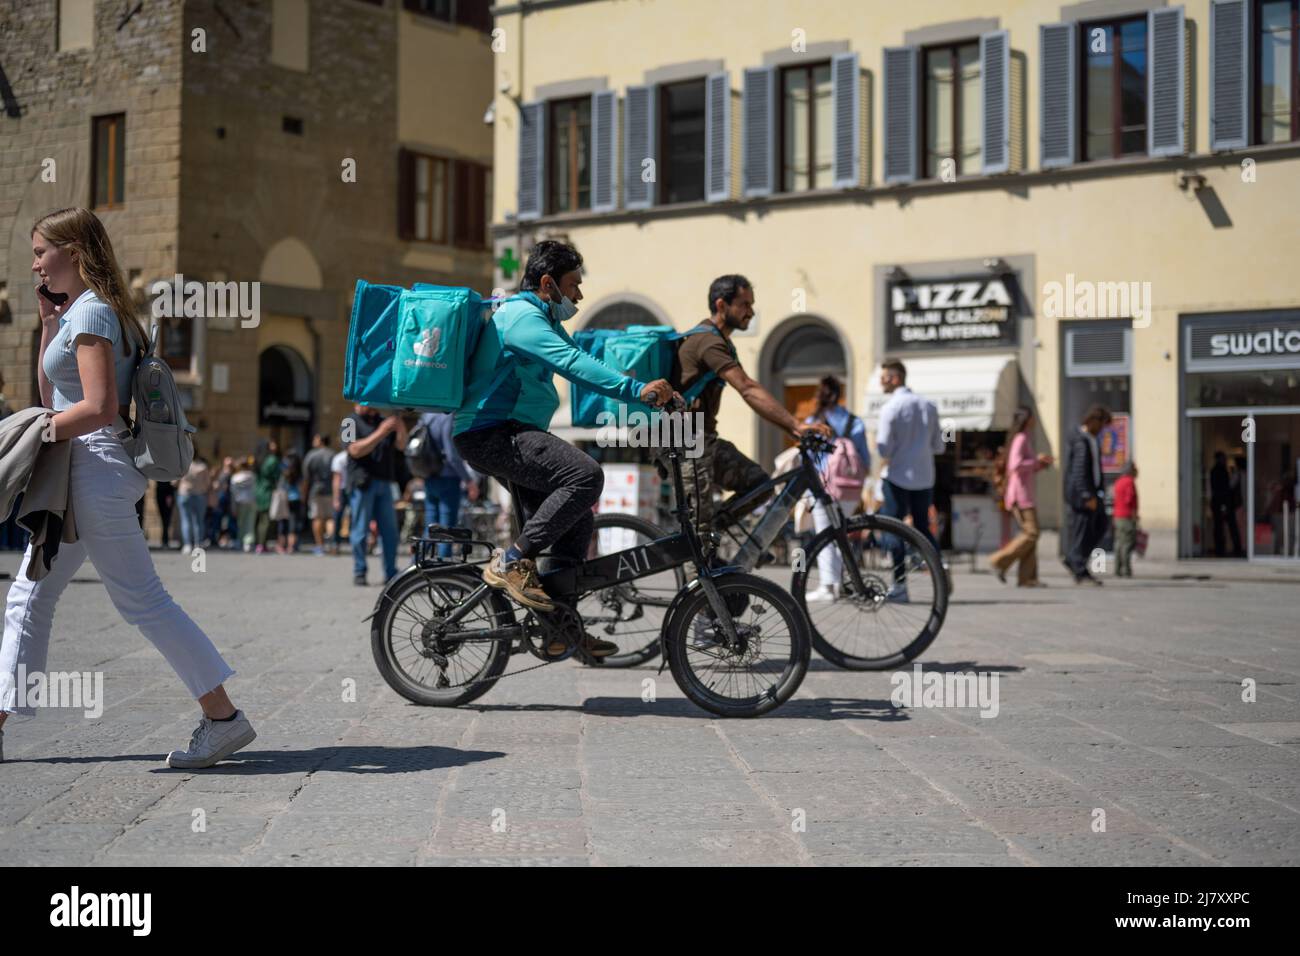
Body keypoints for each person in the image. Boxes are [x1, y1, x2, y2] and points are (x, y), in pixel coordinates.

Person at [1, 206, 254, 768]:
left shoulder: (92, 314)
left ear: (73, 251)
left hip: (90, 467)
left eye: (42, 252)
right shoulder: (85, 313)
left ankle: (223, 717)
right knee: (31, 595)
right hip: (83, 470)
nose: (36, 265)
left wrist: (31, 432)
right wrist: (46, 326)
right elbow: (54, 398)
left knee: (139, 601)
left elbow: (97, 408)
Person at [451, 239, 675, 658]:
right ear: (548, 283)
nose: (580, 296)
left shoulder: (543, 321)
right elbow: (574, 367)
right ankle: (510, 561)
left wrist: (638, 396)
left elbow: (582, 362)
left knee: (575, 523)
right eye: (574, 285)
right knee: (585, 476)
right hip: (490, 431)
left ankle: (561, 629)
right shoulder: (521, 317)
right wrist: (637, 390)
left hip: (512, 431)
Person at [666, 274, 830, 530]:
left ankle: (711, 540)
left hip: (703, 439)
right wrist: (795, 425)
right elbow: (747, 388)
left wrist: (793, 428)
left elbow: (748, 388)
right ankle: (698, 558)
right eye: (745, 305)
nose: (751, 312)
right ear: (721, 305)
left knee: (758, 485)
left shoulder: (721, 342)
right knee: (698, 523)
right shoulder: (707, 342)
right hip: (683, 441)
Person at [875, 358, 945, 601]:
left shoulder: (890, 408)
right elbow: (940, 445)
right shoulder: (930, 406)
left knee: (893, 528)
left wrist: (895, 449)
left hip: (897, 477)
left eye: (883, 378)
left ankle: (900, 586)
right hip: (925, 476)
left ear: (895, 378)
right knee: (924, 528)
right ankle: (941, 576)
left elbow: (883, 449)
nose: (880, 382)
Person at [803, 376, 870, 602]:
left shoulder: (815, 421)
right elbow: (865, 459)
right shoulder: (854, 422)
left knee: (825, 536)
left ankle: (827, 587)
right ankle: (842, 584)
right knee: (842, 534)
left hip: (824, 486)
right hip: (850, 488)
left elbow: (809, 459)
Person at [342, 404, 407, 586]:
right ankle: (359, 572)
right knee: (360, 531)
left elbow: (401, 445)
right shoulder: (349, 421)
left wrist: (399, 424)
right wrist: (382, 432)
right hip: (362, 483)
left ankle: (391, 572)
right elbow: (354, 450)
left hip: (385, 483)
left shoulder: (382, 421)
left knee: (390, 532)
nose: (372, 407)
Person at [988, 406, 1054, 587]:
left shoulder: (1022, 438)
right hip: (1021, 495)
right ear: (1027, 419)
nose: (1035, 421)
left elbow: (1022, 466)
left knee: (1031, 537)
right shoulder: (1021, 438)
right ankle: (1000, 560)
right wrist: (1036, 461)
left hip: (1024, 493)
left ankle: (1027, 578)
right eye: (1032, 418)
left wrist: (1039, 464)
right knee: (1032, 533)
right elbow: (1016, 465)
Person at [1064, 404, 1112, 585]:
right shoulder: (1081, 440)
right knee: (1083, 531)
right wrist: (1086, 496)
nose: (1102, 429)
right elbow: (1079, 471)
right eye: (1101, 425)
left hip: (1093, 493)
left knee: (1100, 525)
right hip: (1083, 496)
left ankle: (1075, 560)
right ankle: (1079, 567)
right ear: (1092, 421)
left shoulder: (1091, 439)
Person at [419, 411, 478, 558]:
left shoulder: (426, 416)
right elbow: (452, 456)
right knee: (446, 529)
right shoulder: (446, 418)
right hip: (448, 478)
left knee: (430, 525)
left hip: (429, 476)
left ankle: (418, 562)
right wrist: (468, 480)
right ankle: (442, 566)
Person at [302, 433, 335, 556]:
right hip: (331, 490)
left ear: (321, 441)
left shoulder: (311, 455)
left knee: (317, 517)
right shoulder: (333, 455)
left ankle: (320, 546)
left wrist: (304, 494)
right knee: (330, 518)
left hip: (316, 490)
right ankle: (332, 544)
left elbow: (306, 477)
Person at [176, 454, 211, 552]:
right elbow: (208, 482)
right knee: (199, 521)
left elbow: (174, 481)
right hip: (199, 494)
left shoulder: (183, 465)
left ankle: (187, 544)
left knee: (186, 520)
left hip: (185, 493)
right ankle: (198, 544)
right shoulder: (203, 467)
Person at [1112, 460, 1139, 577]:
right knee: (1127, 543)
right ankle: (1126, 570)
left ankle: (1117, 569)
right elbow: (1129, 500)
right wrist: (1134, 515)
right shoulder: (1129, 482)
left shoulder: (1118, 482)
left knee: (1118, 543)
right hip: (1127, 516)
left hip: (1117, 516)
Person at [276, 452, 304, 554]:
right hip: (295, 499)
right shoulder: (298, 471)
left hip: (283, 499)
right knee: (293, 524)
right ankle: (291, 547)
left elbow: (280, 486)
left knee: (282, 523)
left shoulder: (283, 472)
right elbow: (301, 487)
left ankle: (281, 546)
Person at [230, 456, 258, 552]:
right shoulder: (253, 476)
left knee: (240, 523)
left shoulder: (235, 477)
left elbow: (233, 493)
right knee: (250, 523)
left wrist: (233, 506)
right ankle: (248, 543)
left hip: (239, 502)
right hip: (251, 501)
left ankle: (240, 541)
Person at [330, 444, 349, 555]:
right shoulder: (340, 458)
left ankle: (335, 544)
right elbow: (337, 479)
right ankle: (335, 544)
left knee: (337, 518)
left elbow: (336, 479)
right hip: (347, 489)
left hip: (345, 489)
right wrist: (336, 498)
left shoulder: (339, 458)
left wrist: (336, 498)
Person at [155, 479, 176, 550]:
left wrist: (170, 495)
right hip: (160, 492)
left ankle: (165, 541)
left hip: (168, 494)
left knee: (166, 519)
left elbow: (173, 483)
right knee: (163, 518)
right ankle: (164, 540)